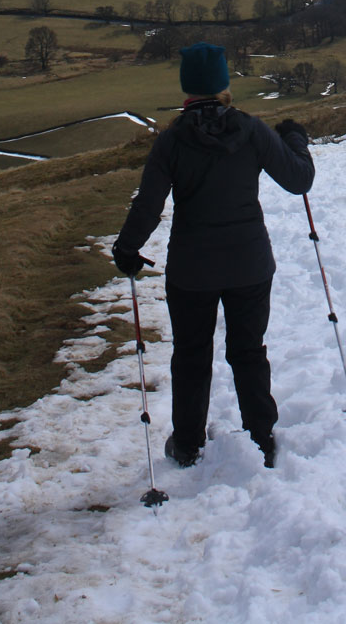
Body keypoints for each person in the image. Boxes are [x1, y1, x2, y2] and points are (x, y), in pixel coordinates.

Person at [112, 41, 315, 470]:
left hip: (192, 269)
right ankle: (261, 437)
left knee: (190, 354)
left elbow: (148, 204)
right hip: (250, 264)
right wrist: (296, 138)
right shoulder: (253, 130)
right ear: (223, 84)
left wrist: (127, 249)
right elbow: (299, 180)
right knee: (248, 351)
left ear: (188, 88)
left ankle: (187, 444)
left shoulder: (172, 142)